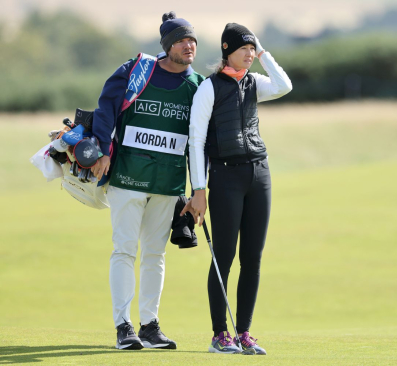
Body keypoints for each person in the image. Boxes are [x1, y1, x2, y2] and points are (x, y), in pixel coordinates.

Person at [91, 11, 205, 350]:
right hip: (127, 178)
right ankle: (123, 326)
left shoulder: (198, 86)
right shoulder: (136, 70)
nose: (190, 46)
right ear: (168, 45)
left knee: (155, 254)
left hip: (168, 185)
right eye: (183, 40)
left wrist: (197, 189)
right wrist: (100, 149)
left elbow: (199, 140)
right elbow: (106, 108)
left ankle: (150, 326)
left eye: (193, 41)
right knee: (124, 250)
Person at [182, 23, 292, 355]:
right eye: (244, 48)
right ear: (227, 50)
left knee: (252, 259)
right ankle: (220, 335)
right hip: (226, 178)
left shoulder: (254, 82)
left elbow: (284, 86)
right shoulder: (209, 87)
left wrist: (262, 54)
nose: (249, 53)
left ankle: (244, 332)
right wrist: (198, 190)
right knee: (224, 258)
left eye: (251, 48)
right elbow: (196, 140)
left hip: (259, 174)